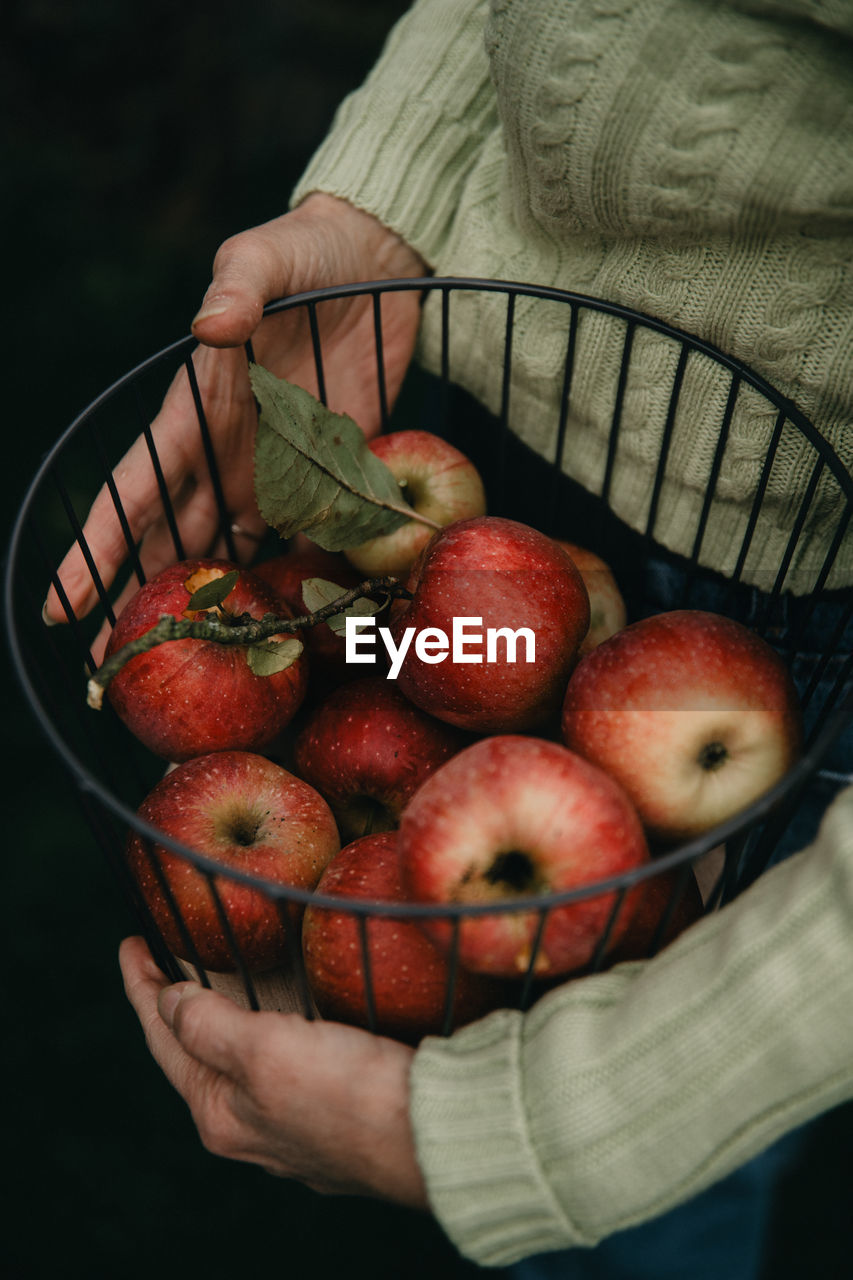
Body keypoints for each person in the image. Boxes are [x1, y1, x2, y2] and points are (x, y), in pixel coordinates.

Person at [46, 0, 853, 1274]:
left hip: (809, 568)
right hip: (512, 441)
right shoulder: (420, 611)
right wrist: (392, 194)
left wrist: (535, 1134)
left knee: (673, 1135)